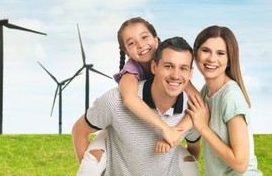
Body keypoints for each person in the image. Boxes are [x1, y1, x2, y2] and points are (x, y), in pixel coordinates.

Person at [76, 17, 199, 175]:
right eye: (131, 43)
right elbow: (129, 99)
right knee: (92, 162)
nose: (140, 45)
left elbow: (200, 106)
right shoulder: (130, 72)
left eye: (144, 37)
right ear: (126, 52)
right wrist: (165, 129)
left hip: (158, 132)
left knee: (189, 165)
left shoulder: (175, 67)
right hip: (118, 129)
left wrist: (176, 132)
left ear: (156, 40)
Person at [187, 25, 262, 175]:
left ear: (229, 60)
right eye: (206, 50)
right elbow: (191, 94)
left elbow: (240, 164)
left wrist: (204, 129)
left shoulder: (230, 97)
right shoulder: (206, 91)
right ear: (196, 55)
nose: (212, 59)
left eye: (220, 53)